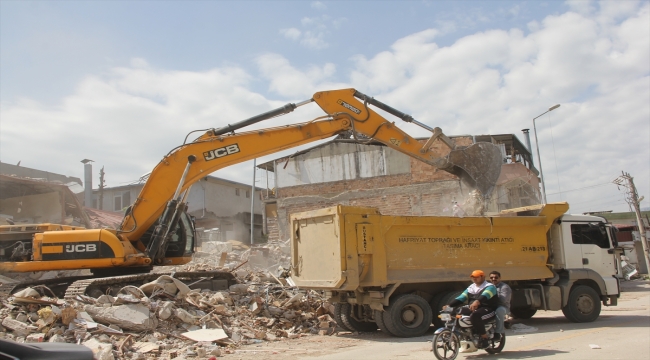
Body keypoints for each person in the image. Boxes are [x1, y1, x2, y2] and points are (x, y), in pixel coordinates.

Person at [443, 270, 499, 348]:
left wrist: (477, 302)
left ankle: (484, 337)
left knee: (475, 316)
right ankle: (461, 334)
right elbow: (461, 298)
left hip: (487, 309)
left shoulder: (490, 287)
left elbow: (485, 296)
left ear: (482, 277)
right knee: (456, 312)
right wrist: (449, 305)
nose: (474, 279)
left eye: (476, 277)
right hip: (472, 307)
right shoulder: (471, 287)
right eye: (472, 277)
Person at [489, 270, 512, 341]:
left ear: (500, 278)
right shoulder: (488, 286)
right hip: (490, 306)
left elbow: (503, 300)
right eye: (491, 277)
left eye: (496, 277)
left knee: (499, 311)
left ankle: (498, 333)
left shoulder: (504, 287)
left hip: (502, 307)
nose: (493, 279)